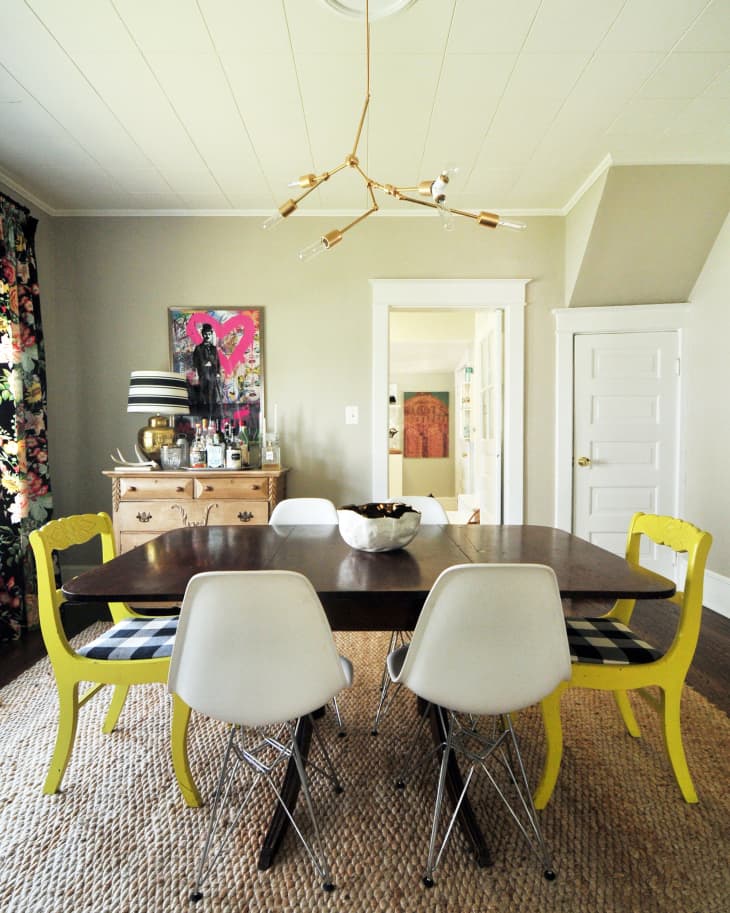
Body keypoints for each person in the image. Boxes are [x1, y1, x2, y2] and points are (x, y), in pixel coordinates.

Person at [192, 323, 222, 417]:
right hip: (203, 374)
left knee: (213, 393)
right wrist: (197, 372)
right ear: (202, 334)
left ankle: (213, 414)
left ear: (211, 334)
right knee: (203, 393)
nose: (207, 336)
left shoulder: (214, 348)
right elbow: (195, 362)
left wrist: (218, 372)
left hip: (212, 374)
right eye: (205, 334)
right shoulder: (198, 348)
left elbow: (218, 361)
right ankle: (204, 414)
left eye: (209, 334)